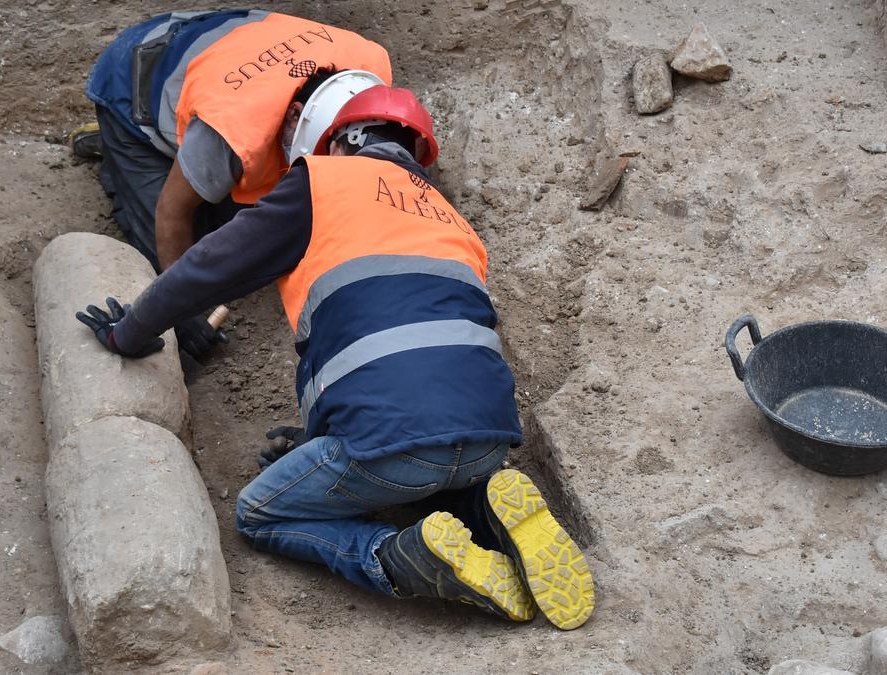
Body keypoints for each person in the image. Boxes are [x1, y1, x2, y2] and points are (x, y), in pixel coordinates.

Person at [75, 87, 595, 629]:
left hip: (395, 450)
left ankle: (401, 558)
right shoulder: (451, 220)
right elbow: (424, 353)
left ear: (343, 141)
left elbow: (210, 266)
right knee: (425, 463)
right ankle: (487, 510)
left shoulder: (320, 183)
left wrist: (129, 334)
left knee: (261, 513)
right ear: (415, 154)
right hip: (488, 440)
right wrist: (314, 437)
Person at [77, 9, 392, 358]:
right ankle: (118, 145)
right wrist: (185, 312)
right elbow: (171, 215)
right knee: (185, 241)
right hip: (136, 82)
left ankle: (178, 155)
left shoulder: (372, 70)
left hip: (224, 39)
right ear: (292, 117)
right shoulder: (232, 130)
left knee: (250, 203)